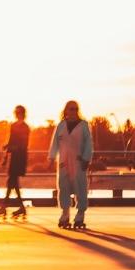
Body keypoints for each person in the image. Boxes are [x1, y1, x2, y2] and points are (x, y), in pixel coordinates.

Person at [50, 99, 94, 230]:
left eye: (76, 109)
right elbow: (55, 144)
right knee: (63, 188)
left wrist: (86, 159)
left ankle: (80, 214)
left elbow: (88, 144)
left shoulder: (84, 125)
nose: (74, 111)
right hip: (63, 162)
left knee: (80, 188)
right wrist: (51, 158)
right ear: (65, 111)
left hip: (78, 161)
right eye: (71, 109)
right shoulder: (61, 126)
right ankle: (65, 213)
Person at [0, 105, 31, 217]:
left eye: (20, 112)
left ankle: (4, 206)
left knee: (11, 182)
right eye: (17, 112)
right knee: (13, 183)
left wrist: (13, 147)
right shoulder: (13, 126)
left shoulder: (25, 127)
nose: (18, 114)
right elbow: (11, 140)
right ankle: (20, 207)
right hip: (13, 157)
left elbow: (24, 144)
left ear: (23, 113)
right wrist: (6, 151)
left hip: (20, 157)